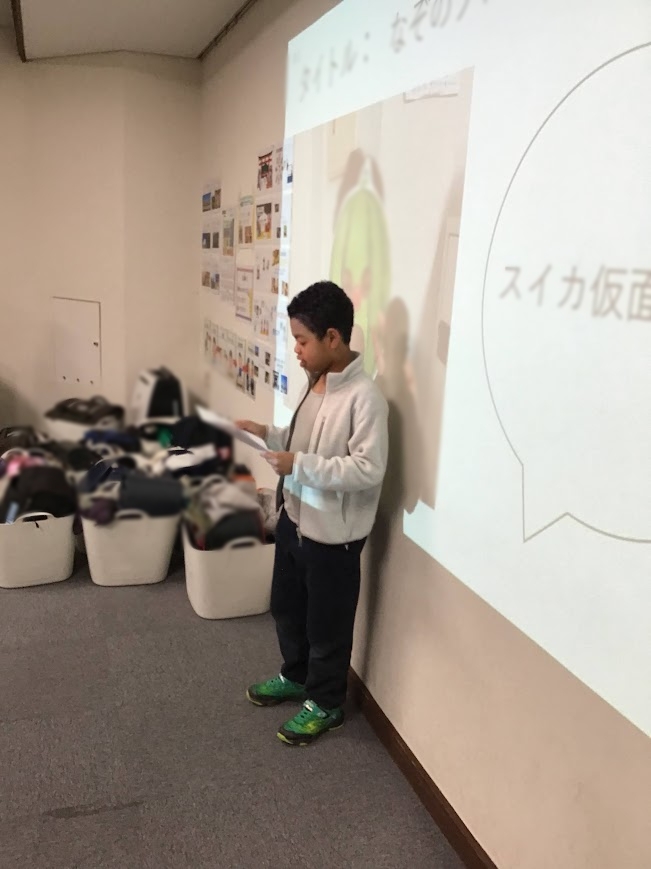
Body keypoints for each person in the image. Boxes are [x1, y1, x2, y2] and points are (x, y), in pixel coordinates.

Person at [237, 280, 389, 746]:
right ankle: (297, 676)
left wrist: (298, 465)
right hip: (295, 522)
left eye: (302, 341)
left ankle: (326, 704)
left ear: (333, 338)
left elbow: (367, 468)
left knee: (327, 626)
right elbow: (303, 442)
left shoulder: (365, 398)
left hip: (333, 539)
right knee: (288, 609)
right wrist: (266, 432)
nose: (297, 351)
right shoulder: (315, 384)